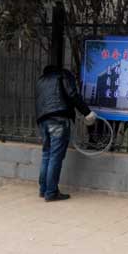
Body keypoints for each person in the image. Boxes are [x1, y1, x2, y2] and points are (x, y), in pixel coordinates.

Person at [35, 65, 97, 202]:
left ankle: (43, 190)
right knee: (55, 156)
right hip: (58, 119)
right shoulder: (63, 75)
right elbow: (72, 94)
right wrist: (87, 112)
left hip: (43, 120)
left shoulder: (40, 81)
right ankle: (51, 192)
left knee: (46, 154)